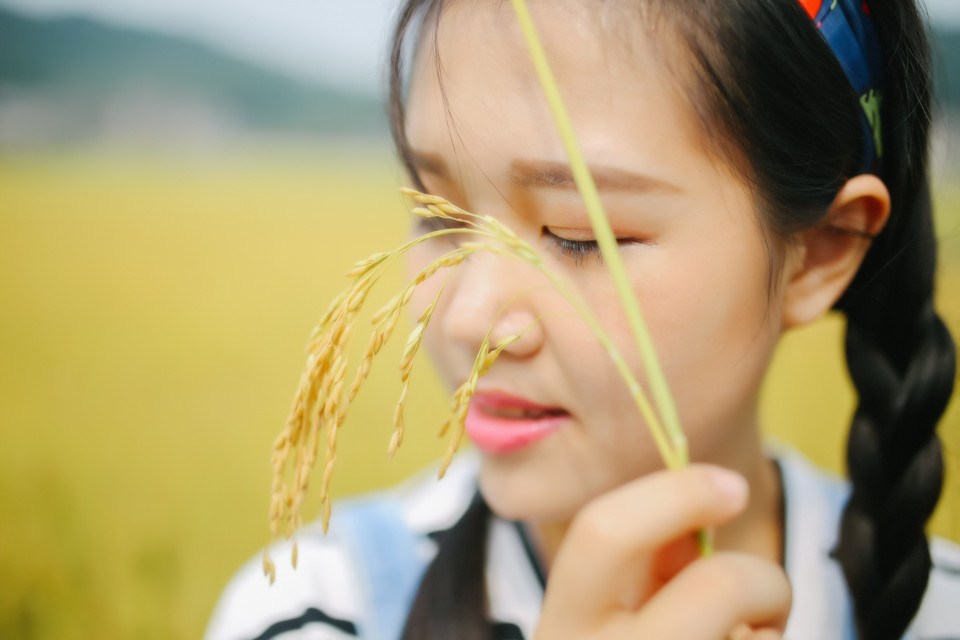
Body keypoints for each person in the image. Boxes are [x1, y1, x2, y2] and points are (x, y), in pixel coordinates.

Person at [205, 0, 960, 638]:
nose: (469, 317)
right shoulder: (319, 609)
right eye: (439, 220)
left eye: (581, 235)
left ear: (820, 250)